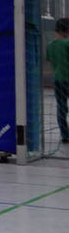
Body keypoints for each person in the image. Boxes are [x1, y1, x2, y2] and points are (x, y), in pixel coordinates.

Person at [48, 17, 69, 155]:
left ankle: (65, 135)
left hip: (57, 80)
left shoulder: (50, 45)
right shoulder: (67, 43)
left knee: (61, 107)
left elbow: (50, 60)